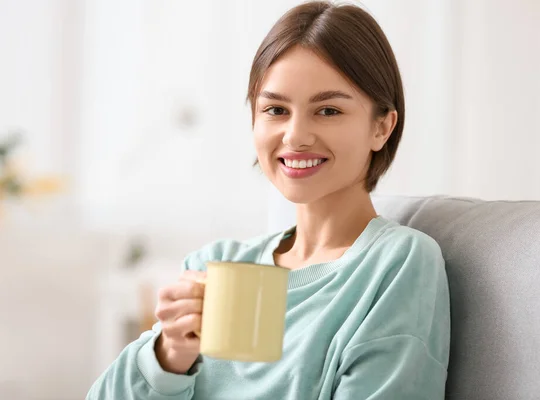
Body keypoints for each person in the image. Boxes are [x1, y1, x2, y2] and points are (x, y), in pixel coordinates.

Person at [86, 1, 450, 399]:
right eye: (275, 109)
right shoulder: (214, 266)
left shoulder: (396, 264)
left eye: (327, 110)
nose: (295, 136)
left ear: (381, 126)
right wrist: (169, 357)